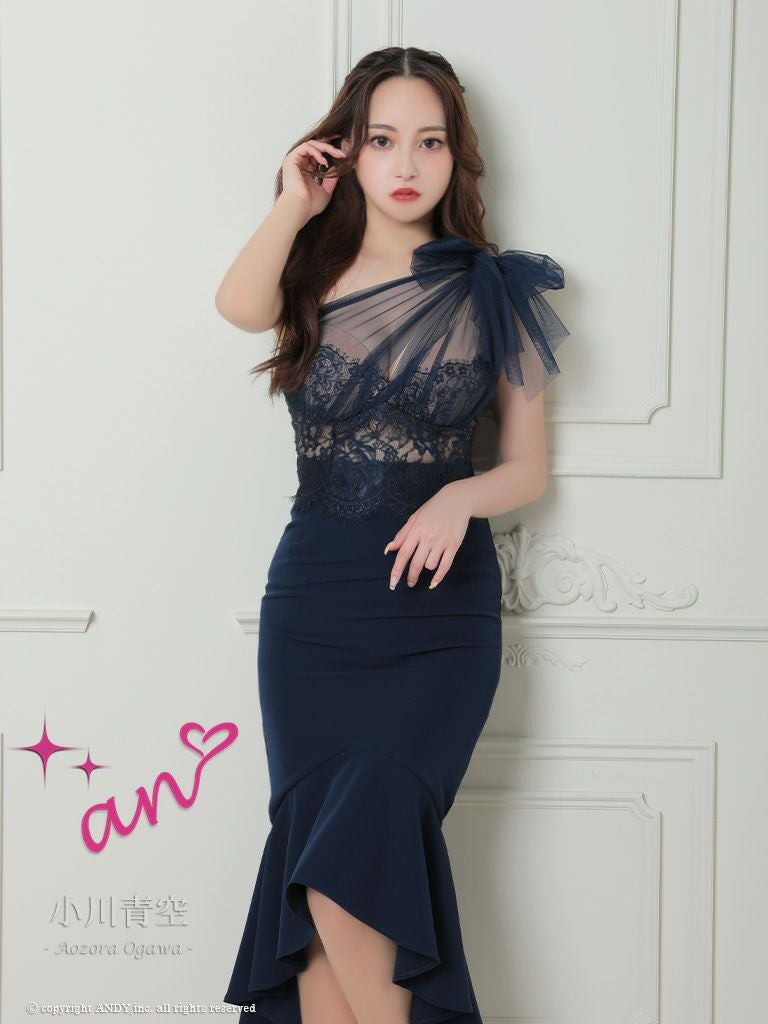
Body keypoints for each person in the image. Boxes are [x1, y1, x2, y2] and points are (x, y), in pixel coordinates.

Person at [216, 45, 570, 1024]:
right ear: (347, 151)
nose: (407, 163)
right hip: (314, 612)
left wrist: (460, 498)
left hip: (437, 621)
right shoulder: (309, 271)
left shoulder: (494, 287)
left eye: (430, 141)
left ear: (459, 156)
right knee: (317, 873)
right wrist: (292, 201)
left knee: (362, 842)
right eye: (381, 140)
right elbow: (236, 306)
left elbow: (527, 467)